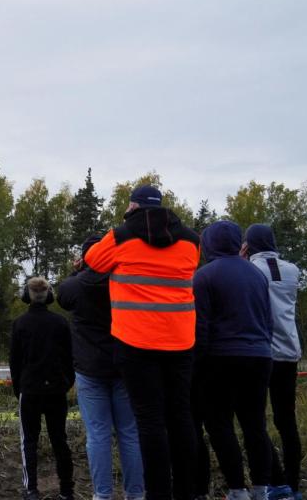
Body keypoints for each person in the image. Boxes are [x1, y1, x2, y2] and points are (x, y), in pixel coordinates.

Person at [83, 186, 200, 500]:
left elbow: (92, 261)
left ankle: (158, 494)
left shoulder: (120, 237)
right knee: (181, 416)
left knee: (149, 421)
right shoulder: (192, 241)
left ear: (132, 206)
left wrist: (122, 224)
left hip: (135, 343)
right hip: (181, 341)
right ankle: (187, 492)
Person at [58, 237, 144, 500]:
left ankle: (102, 495)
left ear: (86, 258)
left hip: (90, 369)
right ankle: (136, 494)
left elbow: (63, 296)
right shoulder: (124, 281)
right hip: (124, 367)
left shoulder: (77, 285)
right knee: (129, 434)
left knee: (97, 436)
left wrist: (78, 269)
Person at [194, 221, 273, 500]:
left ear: (209, 244)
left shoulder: (204, 276)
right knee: (255, 425)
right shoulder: (257, 274)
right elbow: (267, 319)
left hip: (221, 358)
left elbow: (200, 327)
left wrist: (196, 363)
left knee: (220, 424)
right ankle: (262, 488)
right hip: (260, 356)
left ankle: (237, 489)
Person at [242, 224, 302, 500]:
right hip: (289, 351)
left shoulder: (251, 270)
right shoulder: (292, 270)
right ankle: (293, 483)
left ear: (249, 245)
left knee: (254, 420)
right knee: (286, 420)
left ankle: (274, 480)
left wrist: (241, 261)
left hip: (261, 353)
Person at [10, 276, 75, 500]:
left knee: (29, 441)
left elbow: (14, 362)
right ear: (48, 296)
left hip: (30, 391)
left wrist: (19, 390)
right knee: (60, 440)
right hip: (56, 390)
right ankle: (67, 491)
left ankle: (32, 490)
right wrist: (66, 383)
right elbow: (69, 358)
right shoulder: (61, 323)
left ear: (27, 296)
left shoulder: (19, 323)